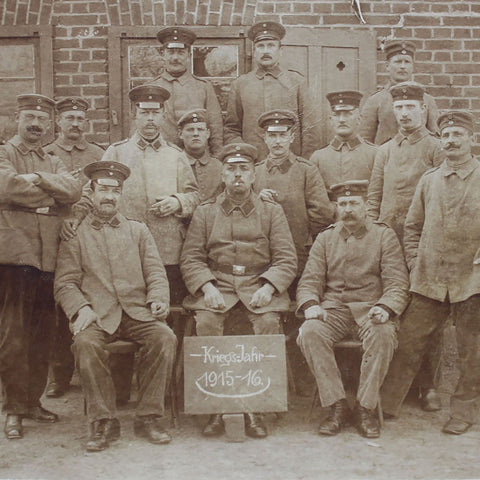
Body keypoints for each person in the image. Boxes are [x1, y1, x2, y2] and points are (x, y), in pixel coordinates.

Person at [54, 161, 176, 452]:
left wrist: (158, 298)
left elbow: (156, 273)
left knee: (164, 337)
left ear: (122, 195)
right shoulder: (76, 233)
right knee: (85, 344)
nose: (109, 196)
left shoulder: (138, 230)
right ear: (92, 192)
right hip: (97, 314)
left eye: (115, 191)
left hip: (136, 311)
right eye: (103, 189)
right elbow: (65, 283)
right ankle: (103, 421)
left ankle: (148, 416)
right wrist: (81, 309)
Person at [180, 143, 297, 439]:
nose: (237, 176)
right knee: (206, 323)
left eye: (243, 169)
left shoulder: (271, 211)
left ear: (254, 175)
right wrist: (206, 287)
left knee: (268, 323)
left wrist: (269, 287)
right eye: (231, 169)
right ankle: (217, 409)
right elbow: (191, 257)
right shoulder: (206, 212)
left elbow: (286, 258)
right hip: (217, 286)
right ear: (222, 174)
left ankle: (256, 408)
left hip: (258, 285)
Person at [381, 111, 480, 435]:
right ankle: (385, 405)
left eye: (458, 135)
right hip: (429, 278)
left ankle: (463, 411)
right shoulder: (429, 180)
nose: (451, 141)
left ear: (471, 140)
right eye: (446, 135)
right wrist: (415, 261)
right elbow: (412, 227)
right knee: (409, 343)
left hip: (471, 280)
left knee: (471, 349)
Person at [65, 85, 200, 305]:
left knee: (168, 306)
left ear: (163, 115)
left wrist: (177, 201)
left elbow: (194, 196)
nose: (150, 119)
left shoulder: (175, 155)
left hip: (167, 248)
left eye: (155, 113)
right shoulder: (117, 152)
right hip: (124, 248)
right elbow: (91, 193)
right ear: (134, 115)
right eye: (144, 113)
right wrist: (75, 216)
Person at [296, 180, 409, 439]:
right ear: (337, 207)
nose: (348, 209)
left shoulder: (383, 235)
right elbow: (310, 280)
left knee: (383, 335)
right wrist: (311, 305)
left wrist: (386, 307)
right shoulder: (325, 238)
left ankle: (364, 408)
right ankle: (336, 405)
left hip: (371, 309)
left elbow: (397, 282)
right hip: (333, 309)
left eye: (354, 203)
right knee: (310, 331)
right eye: (343, 204)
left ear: (366, 206)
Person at [0, 94, 82, 440]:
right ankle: (14, 409)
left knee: (42, 334)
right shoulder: (4, 152)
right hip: (15, 254)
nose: (35, 124)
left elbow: (75, 189)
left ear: (50, 125)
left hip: (49, 256)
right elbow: (5, 186)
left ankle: (33, 402)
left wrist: (36, 178)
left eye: (41, 119)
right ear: (17, 119)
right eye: (29, 117)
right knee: (12, 336)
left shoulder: (51, 157)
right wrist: (50, 194)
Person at [366, 82, 444, 410]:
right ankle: (389, 385)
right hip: (389, 243)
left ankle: (428, 387)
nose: (404, 113)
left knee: (425, 315)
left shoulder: (435, 148)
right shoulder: (384, 150)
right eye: (399, 108)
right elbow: (373, 196)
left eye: (411, 107)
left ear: (424, 110)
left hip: (425, 244)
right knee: (389, 308)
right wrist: (372, 234)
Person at [45, 96, 105, 399]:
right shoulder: (46, 155)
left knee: (91, 296)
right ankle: (60, 372)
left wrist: (78, 214)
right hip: (55, 239)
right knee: (60, 307)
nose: (75, 124)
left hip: (89, 238)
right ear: (58, 121)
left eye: (80, 119)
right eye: (69, 118)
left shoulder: (97, 155)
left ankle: (91, 367)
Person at [254, 109, 333, 278]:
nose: (277, 141)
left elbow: (322, 214)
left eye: (282, 135)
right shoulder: (254, 172)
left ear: (292, 137)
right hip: (261, 255)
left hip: (298, 252)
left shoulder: (306, 170)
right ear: (265, 138)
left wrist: (303, 239)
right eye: (272, 136)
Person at [224, 21, 321, 160]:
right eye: (260, 46)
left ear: (280, 50)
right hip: (254, 164)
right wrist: (245, 155)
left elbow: (310, 129)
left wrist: (304, 164)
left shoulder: (297, 82)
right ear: (254, 51)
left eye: (271, 46)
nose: (265, 51)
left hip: (290, 164)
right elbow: (231, 129)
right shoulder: (241, 84)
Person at [149, 27, 223, 157]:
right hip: (160, 158)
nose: (175, 58)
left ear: (189, 55)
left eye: (181, 52)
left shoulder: (204, 87)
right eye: (171, 52)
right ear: (163, 55)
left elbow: (215, 127)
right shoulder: (151, 88)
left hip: (196, 159)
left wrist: (216, 159)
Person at [360, 39, 439, 145]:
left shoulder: (427, 100)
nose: (402, 66)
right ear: (387, 66)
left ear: (412, 66)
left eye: (407, 62)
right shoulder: (375, 100)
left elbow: (435, 137)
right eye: (398, 62)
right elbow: (365, 140)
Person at [310, 90, 376, 198]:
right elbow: (315, 198)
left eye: (347, 114)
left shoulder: (375, 154)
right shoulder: (318, 158)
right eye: (336, 115)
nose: (341, 120)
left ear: (359, 119)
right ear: (331, 120)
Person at [177, 109, 223, 202]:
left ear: (208, 134)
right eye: (190, 130)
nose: (196, 134)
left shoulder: (219, 167)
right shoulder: (174, 164)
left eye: (200, 129)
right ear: (180, 134)